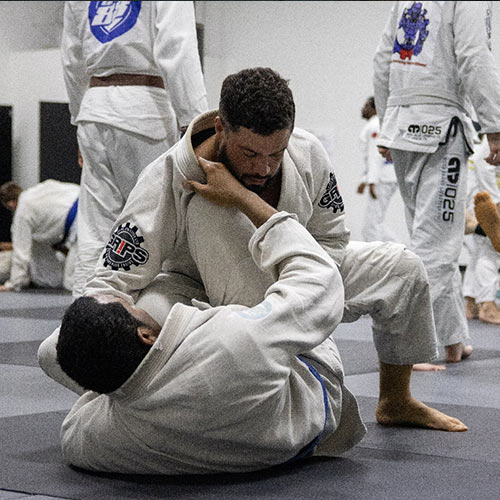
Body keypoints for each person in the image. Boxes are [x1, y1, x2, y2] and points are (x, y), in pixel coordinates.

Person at [40, 67, 467, 432]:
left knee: (403, 267)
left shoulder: (309, 155)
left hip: (298, 274)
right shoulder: (169, 176)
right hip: (195, 295)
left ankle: (396, 400)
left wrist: (304, 288)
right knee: (58, 349)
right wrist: (98, 345)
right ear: (222, 128)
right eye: (250, 153)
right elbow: (113, 277)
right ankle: (163, 405)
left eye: (275, 153)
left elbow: (332, 240)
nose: (264, 167)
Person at [56, 162, 368, 475]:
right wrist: (248, 201)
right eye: (133, 307)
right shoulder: (230, 343)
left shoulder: (96, 441)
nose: (138, 305)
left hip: (253, 434)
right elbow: (320, 285)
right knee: (208, 209)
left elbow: (73, 425)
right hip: (311, 391)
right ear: (145, 335)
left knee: (51, 351)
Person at [373, 1, 500, 362]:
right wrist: (495, 124)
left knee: (429, 238)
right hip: (439, 126)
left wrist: (387, 124)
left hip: (401, 124)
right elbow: (475, 54)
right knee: (438, 247)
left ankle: (451, 338)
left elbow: (383, 58)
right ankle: (414, 349)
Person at [61, 1, 208, 296]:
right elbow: (175, 46)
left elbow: (72, 58)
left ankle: (84, 322)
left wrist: (79, 120)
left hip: (94, 109)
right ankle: (153, 323)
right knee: (159, 228)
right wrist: (196, 124)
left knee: (95, 232)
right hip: (146, 110)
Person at [0, 180, 79, 292]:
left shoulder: (22, 213)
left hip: (80, 225)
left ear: (10, 204)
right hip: (91, 204)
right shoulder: (40, 189)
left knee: (72, 282)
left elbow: (21, 253)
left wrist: (13, 283)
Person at [462, 135, 500, 324]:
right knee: (490, 249)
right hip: (483, 199)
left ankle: (471, 302)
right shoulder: (494, 133)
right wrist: (495, 202)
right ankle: (487, 305)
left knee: (478, 252)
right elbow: (482, 161)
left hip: (477, 194)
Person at [356, 97, 399, 242]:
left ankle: (380, 260)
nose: (363, 108)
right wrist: (365, 179)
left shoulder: (375, 125)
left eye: (366, 105)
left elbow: (375, 154)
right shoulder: (379, 124)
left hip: (382, 179)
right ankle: (401, 252)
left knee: (371, 227)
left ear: (374, 108)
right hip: (384, 177)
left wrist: (371, 181)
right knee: (376, 224)